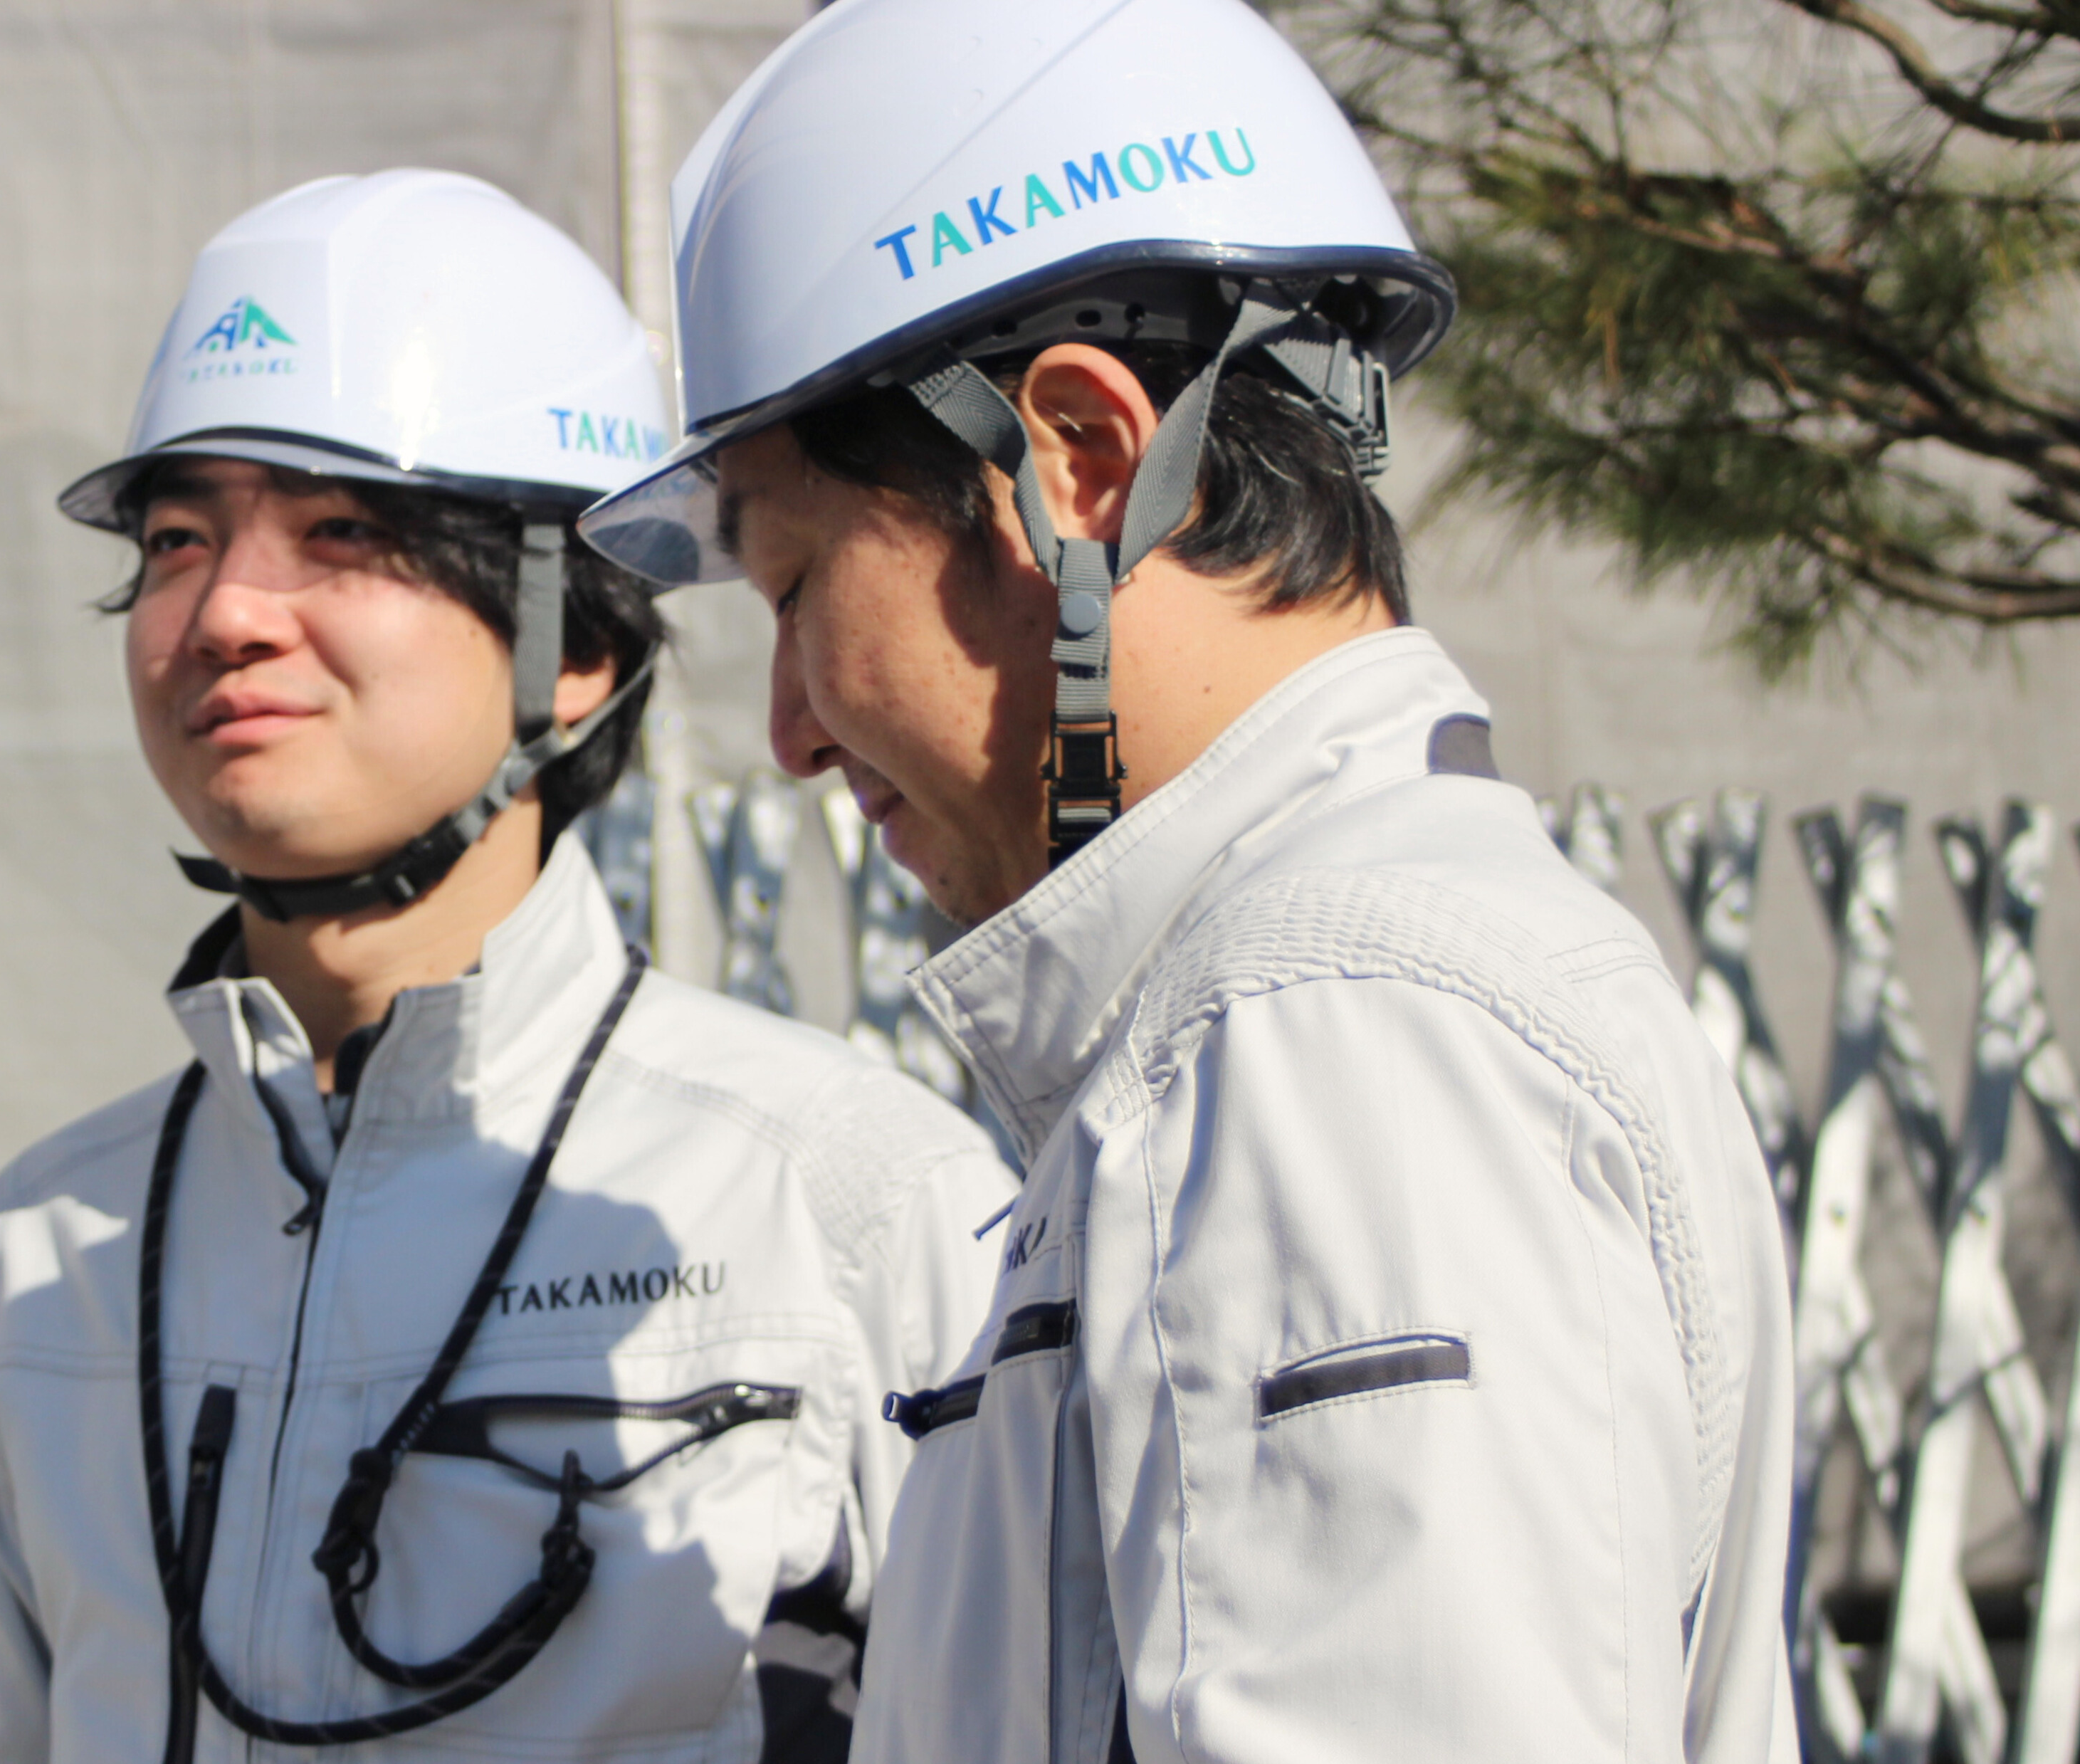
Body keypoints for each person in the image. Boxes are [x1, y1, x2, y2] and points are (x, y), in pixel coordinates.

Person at [577, 2, 1797, 1759]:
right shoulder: (1341, 993)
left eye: (791, 589)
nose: (785, 731)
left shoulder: (1326, 1032)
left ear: (1071, 466)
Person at [0, 169, 1017, 1764]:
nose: (225, 611)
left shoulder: (848, 1206)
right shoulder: (35, 1261)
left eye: (339, 531)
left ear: (571, 641)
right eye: (175, 539)